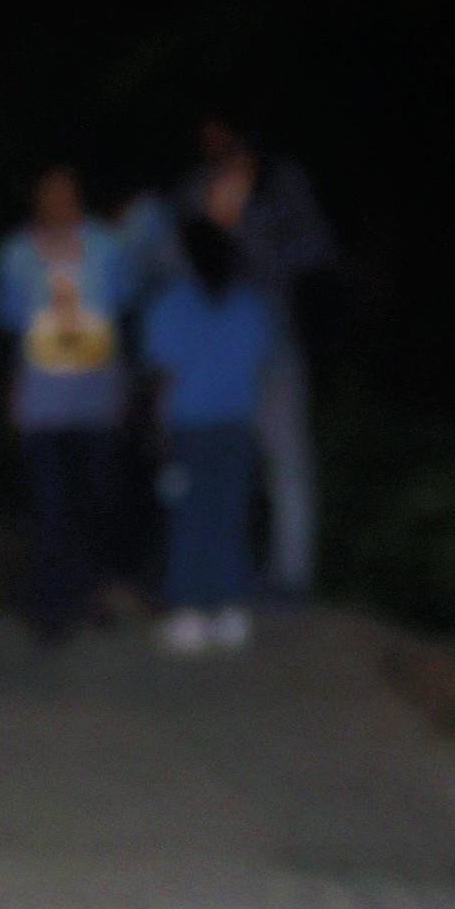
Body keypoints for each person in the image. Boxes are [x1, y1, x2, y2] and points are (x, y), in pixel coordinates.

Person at [176, 117, 336, 600]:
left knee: (287, 464)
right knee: (219, 465)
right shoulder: (195, 190)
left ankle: (291, 577)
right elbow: (181, 263)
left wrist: (246, 228)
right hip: (212, 356)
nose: (215, 143)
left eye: (223, 134)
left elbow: (314, 257)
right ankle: (221, 573)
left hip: (274, 347)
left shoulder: (282, 187)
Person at [0, 164, 138, 643]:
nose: (58, 203)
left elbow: (123, 317)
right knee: (48, 502)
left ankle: (92, 592)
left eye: (66, 194)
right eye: (48, 194)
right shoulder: (15, 254)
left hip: (96, 398)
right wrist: (12, 392)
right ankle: (52, 603)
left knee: (96, 498)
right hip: (42, 401)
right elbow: (10, 330)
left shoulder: (106, 248)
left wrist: (124, 389)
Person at [141, 214, 277, 655]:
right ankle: (231, 610)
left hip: (189, 427)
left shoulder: (173, 305)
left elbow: (163, 378)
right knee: (230, 514)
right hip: (236, 424)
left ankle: (191, 611)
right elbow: (259, 368)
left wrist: (157, 436)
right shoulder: (250, 306)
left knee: (190, 518)